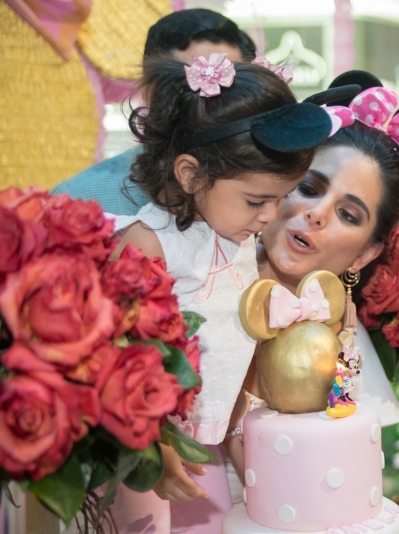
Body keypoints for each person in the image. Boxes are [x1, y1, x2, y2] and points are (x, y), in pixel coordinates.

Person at [108, 54, 335, 533]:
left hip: (202, 444)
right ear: (190, 174)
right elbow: (123, 357)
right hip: (144, 451)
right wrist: (157, 445)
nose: (270, 216)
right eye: (257, 201)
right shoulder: (150, 243)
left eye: (282, 198)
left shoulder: (235, 234)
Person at [223, 71, 399, 482]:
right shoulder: (203, 286)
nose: (317, 214)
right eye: (309, 187)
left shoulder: (344, 345)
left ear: (366, 253)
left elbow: (337, 484)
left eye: (347, 214)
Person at [51, 8, 256, 215]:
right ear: (149, 88)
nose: (211, 100)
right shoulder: (80, 203)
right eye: (193, 83)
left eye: (227, 84)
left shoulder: (272, 193)